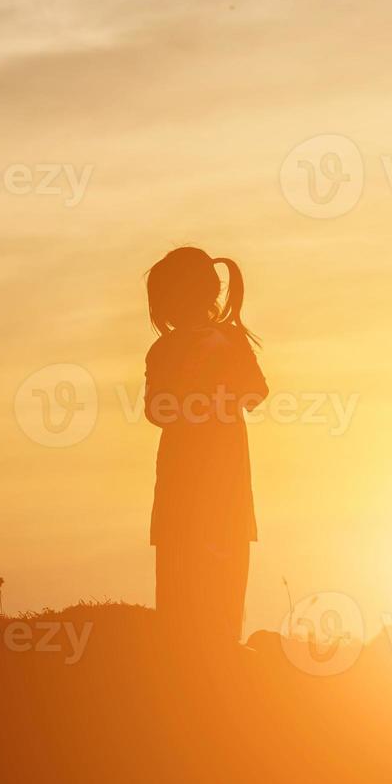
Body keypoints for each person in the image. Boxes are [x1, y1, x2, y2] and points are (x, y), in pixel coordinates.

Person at [144, 247, 268, 649]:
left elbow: (155, 409)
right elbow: (255, 393)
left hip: (192, 479)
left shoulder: (169, 348)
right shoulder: (222, 341)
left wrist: (195, 396)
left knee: (184, 579)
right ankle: (214, 658)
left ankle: (196, 662)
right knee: (218, 577)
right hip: (220, 479)